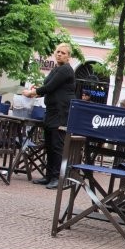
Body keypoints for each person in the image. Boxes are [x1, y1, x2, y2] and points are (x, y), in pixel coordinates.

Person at [23, 43, 75, 189]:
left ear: (68, 57)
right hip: (51, 111)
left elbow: (50, 87)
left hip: (61, 112)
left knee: (57, 145)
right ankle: (49, 176)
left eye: (63, 53)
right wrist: (36, 92)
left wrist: (32, 92)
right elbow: (48, 87)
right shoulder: (56, 69)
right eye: (58, 52)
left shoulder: (66, 69)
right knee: (49, 144)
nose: (59, 54)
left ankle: (57, 178)